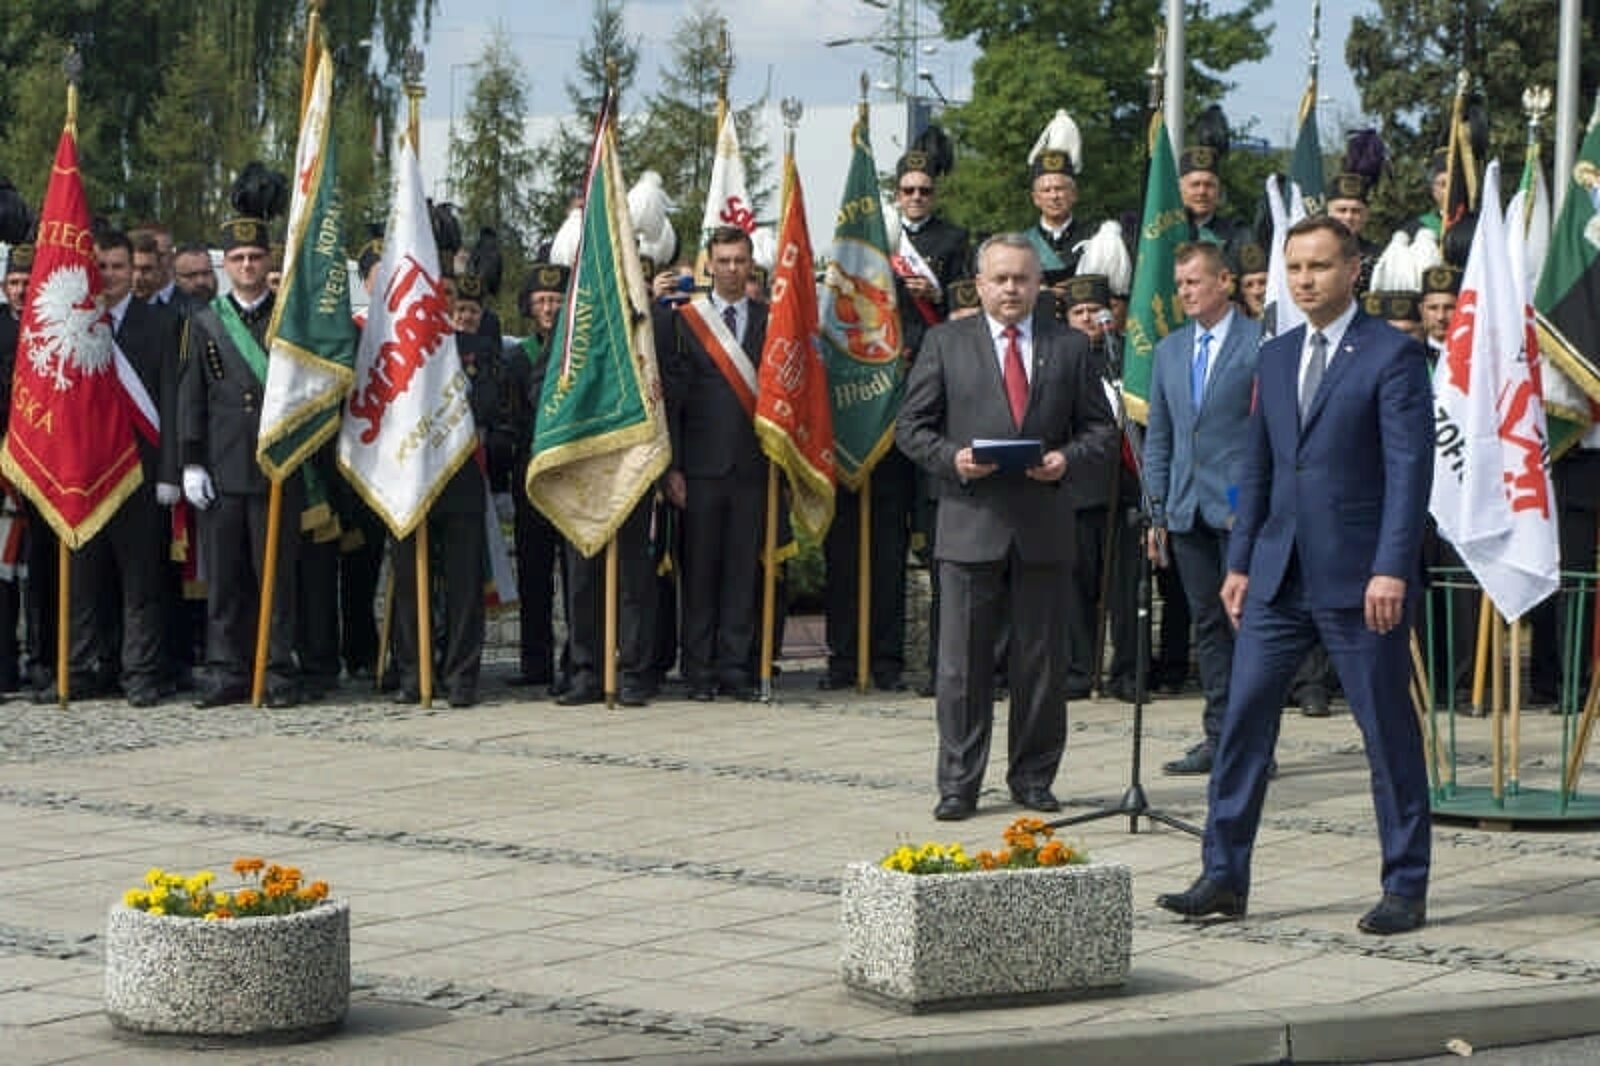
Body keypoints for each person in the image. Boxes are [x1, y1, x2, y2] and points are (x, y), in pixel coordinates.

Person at [1156, 216, 1434, 935]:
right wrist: (1241, 561)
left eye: (1319, 266)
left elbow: (1410, 472)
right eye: (1296, 268)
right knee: (1242, 723)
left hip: (1361, 582)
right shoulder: (1276, 355)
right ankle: (1223, 874)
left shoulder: (1392, 355)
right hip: (1277, 577)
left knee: (1386, 732)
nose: (1305, 280)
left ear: (1353, 270)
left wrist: (1391, 568)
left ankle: (1404, 884)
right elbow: (1260, 466)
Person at [895, 233, 1117, 821]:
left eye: (1022, 278)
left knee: (1040, 665)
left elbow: (1101, 429)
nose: (1011, 289)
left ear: (1040, 284)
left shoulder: (1070, 346)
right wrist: (954, 460)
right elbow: (911, 428)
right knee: (962, 668)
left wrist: (1066, 459)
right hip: (970, 524)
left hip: (1043, 527)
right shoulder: (946, 343)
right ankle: (958, 784)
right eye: (1000, 279)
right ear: (980, 283)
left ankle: (1034, 777)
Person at [822, 142, 967, 693]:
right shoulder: (872, 239)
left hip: (918, 397)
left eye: (924, 190)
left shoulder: (953, 241)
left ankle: (886, 659)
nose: (916, 198)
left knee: (892, 544)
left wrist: (936, 293)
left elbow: (965, 313)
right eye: (907, 190)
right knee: (847, 545)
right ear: (895, 193)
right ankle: (844, 658)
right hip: (864, 400)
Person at [177, 163, 301, 708]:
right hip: (224, 470)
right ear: (224, 266)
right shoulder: (205, 322)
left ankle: (275, 672)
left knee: (275, 579)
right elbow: (191, 397)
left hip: (276, 466)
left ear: (268, 261)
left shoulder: (289, 321)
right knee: (225, 581)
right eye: (238, 258)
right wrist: (191, 461)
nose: (248, 266)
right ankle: (227, 670)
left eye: (255, 257)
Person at [1144, 242, 1263, 774]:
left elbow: (1267, 433)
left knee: (1249, 624)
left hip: (1239, 507)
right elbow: (1161, 436)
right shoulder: (1170, 350)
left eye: (1194, 282)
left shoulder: (1258, 343)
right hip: (1187, 508)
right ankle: (1220, 737)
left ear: (1224, 281)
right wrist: (1157, 510)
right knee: (1209, 624)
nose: (1185, 293)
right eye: (1180, 284)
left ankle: (1256, 741)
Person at [657, 226, 769, 702]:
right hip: (699, 470)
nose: (731, 269)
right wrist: (673, 468)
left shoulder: (771, 320)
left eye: (739, 260)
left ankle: (735, 669)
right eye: (723, 261)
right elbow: (673, 401)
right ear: (709, 265)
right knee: (699, 574)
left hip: (753, 467)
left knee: (743, 573)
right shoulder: (684, 322)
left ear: (750, 265)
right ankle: (698, 671)